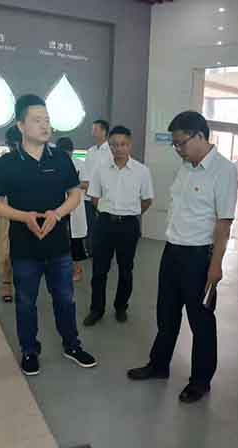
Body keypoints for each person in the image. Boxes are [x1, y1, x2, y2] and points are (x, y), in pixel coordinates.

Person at [127, 111, 238, 404]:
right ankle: (158, 365)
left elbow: (223, 223)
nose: (177, 149)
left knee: (201, 322)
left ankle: (200, 381)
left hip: (199, 256)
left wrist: (216, 266)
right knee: (166, 313)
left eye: (181, 143)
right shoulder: (186, 167)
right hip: (172, 250)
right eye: (174, 144)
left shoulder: (224, 171)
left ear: (200, 136)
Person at [0, 94, 97, 376]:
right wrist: (24, 216)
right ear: (21, 125)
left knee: (66, 299)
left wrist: (57, 214)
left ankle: (72, 345)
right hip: (24, 249)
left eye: (47, 120)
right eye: (37, 120)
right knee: (26, 303)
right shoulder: (6, 164)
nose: (45, 125)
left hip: (59, 248)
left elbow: (75, 194)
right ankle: (29, 350)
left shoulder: (60, 159)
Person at [83, 126, 154, 326]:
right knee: (99, 270)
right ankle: (96, 309)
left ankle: (121, 307)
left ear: (130, 145)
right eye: (114, 145)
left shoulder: (141, 171)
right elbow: (94, 196)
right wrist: (107, 211)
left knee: (126, 269)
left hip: (128, 226)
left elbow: (147, 200)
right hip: (104, 224)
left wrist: (130, 213)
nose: (118, 148)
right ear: (110, 146)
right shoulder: (101, 169)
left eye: (123, 144)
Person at [0, 125, 22, 303]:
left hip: (30, 210)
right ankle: (6, 282)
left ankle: (24, 283)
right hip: (7, 209)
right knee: (6, 248)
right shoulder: (4, 162)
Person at [55, 137, 89, 282]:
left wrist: (72, 183)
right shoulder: (53, 163)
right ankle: (58, 268)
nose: (65, 156)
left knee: (76, 240)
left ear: (72, 152)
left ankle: (78, 269)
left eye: (67, 153)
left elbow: (87, 184)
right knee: (58, 238)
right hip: (58, 205)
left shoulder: (80, 164)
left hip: (74, 206)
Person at [80, 119, 112, 255]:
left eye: (95, 129)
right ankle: (91, 250)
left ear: (104, 132)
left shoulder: (110, 151)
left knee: (103, 224)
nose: (92, 132)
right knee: (90, 224)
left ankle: (103, 249)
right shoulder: (91, 151)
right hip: (88, 195)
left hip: (103, 195)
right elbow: (85, 171)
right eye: (92, 129)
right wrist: (85, 184)